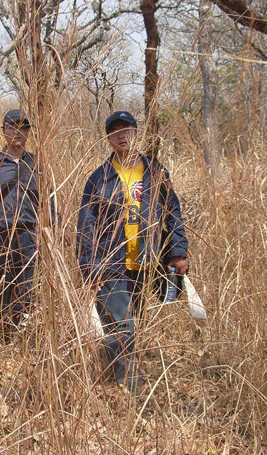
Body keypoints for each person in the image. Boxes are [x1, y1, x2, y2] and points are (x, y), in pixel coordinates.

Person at [76, 110, 189, 393]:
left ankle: (123, 373)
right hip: (111, 264)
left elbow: (172, 213)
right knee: (121, 326)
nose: (121, 136)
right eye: (115, 132)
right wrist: (89, 266)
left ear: (137, 133)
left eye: (126, 130)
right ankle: (131, 388)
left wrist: (177, 252)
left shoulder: (156, 173)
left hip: (147, 262)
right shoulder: (99, 178)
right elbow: (86, 224)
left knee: (135, 322)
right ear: (108, 138)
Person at [0, 109, 67, 340]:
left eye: (23, 127)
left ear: (29, 131)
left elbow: (48, 200)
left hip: (28, 236)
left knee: (26, 287)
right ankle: (0, 336)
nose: (17, 132)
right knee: (1, 286)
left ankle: (20, 337)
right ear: (3, 131)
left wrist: (58, 225)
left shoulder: (37, 165)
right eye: (12, 127)